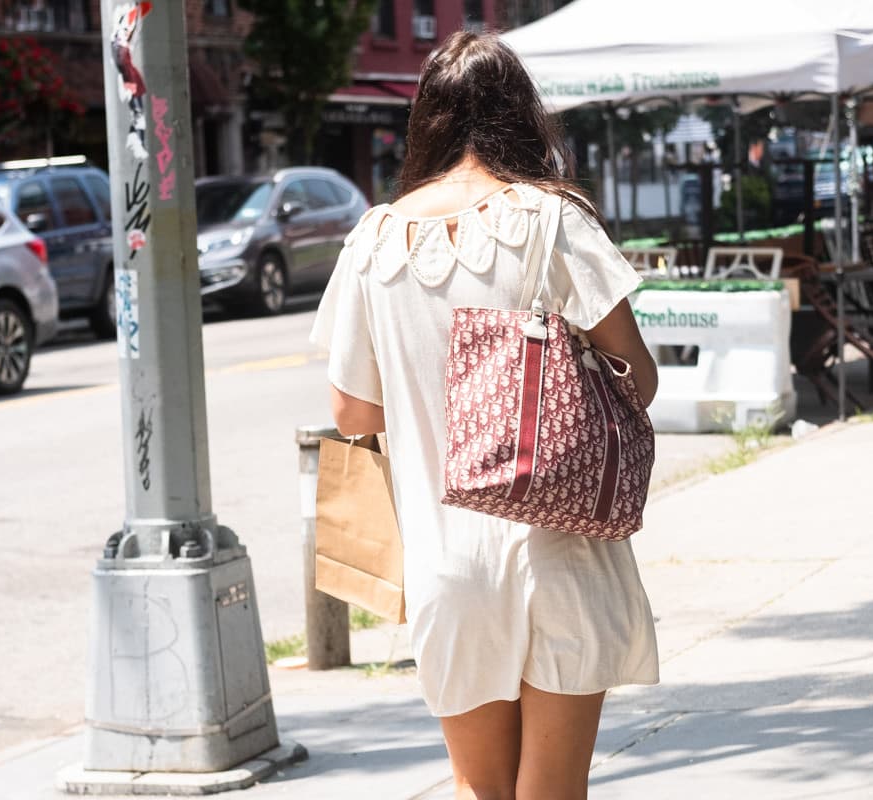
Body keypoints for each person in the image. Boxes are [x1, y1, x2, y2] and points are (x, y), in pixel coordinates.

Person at [310, 30, 659, 800]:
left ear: (427, 120)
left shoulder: (374, 240)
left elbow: (351, 408)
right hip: (556, 546)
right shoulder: (551, 219)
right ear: (522, 117)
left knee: (479, 789)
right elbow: (642, 378)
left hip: (446, 562)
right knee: (553, 792)